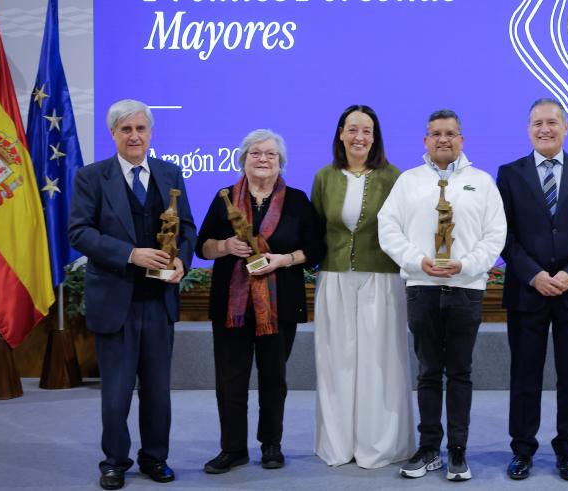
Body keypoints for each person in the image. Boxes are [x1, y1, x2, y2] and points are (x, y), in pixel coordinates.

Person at [68, 99, 196, 490]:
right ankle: (114, 462)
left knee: (158, 391)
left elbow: (187, 229)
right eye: (126, 130)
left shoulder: (169, 172)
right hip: (116, 300)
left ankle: (155, 459)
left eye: (140, 128)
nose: (134, 136)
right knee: (117, 392)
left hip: (159, 301)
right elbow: (79, 232)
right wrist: (130, 254)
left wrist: (182, 263)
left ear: (151, 133)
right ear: (113, 135)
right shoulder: (92, 177)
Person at [378, 109, 506, 481]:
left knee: (461, 372)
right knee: (429, 372)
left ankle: (458, 451)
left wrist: (465, 265)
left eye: (450, 133)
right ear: (425, 141)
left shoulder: (482, 182)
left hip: (465, 289)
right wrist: (417, 261)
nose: (443, 139)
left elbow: (496, 234)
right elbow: (388, 228)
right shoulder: (409, 181)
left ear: (462, 140)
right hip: (422, 288)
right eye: (436, 133)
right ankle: (430, 447)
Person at [195, 129, 325, 474]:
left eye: (270, 154)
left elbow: (314, 251)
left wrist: (282, 260)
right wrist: (224, 247)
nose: (263, 159)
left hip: (280, 305)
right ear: (243, 159)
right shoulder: (223, 197)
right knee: (230, 379)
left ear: (281, 161)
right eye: (255, 153)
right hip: (231, 308)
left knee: (273, 379)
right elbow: (202, 246)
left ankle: (271, 445)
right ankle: (233, 448)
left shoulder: (297, 200)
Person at [495, 98, 568, 481]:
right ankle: (523, 450)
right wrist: (532, 274)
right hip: (528, 292)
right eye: (537, 123)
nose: (544, 129)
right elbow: (502, 233)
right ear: (528, 129)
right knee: (525, 375)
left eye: (552, 122)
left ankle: (567, 451)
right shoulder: (509, 174)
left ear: (566, 127)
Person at [311, 105, 415, 468]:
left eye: (367, 130)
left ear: (375, 136)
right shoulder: (324, 177)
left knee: (379, 361)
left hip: (382, 280)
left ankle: (380, 445)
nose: (359, 137)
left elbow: (406, 229)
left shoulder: (394, 177)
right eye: (352, 129)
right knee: (336, 361)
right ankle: (338, 445)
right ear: (340, 133)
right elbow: (314, 233)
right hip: (336, 279)